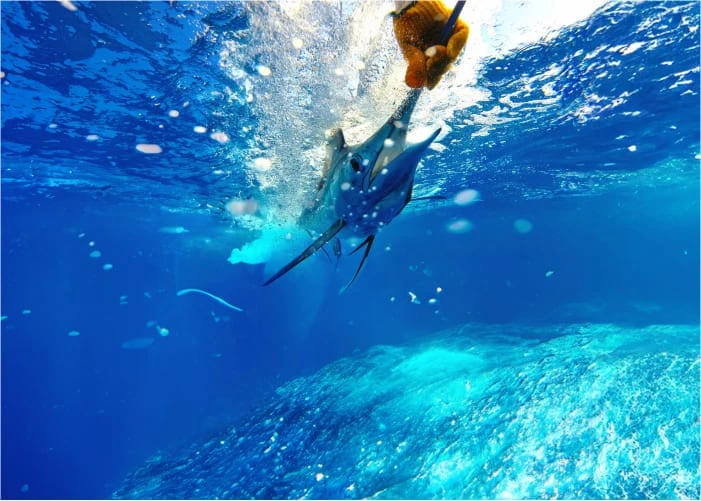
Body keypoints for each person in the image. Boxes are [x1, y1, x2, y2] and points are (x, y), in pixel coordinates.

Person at [391, 1, 469, 90]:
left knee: (418, 57)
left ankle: (421, 71)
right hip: (425, 14)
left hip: (413, 19)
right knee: (419, 57)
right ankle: (421, 70)